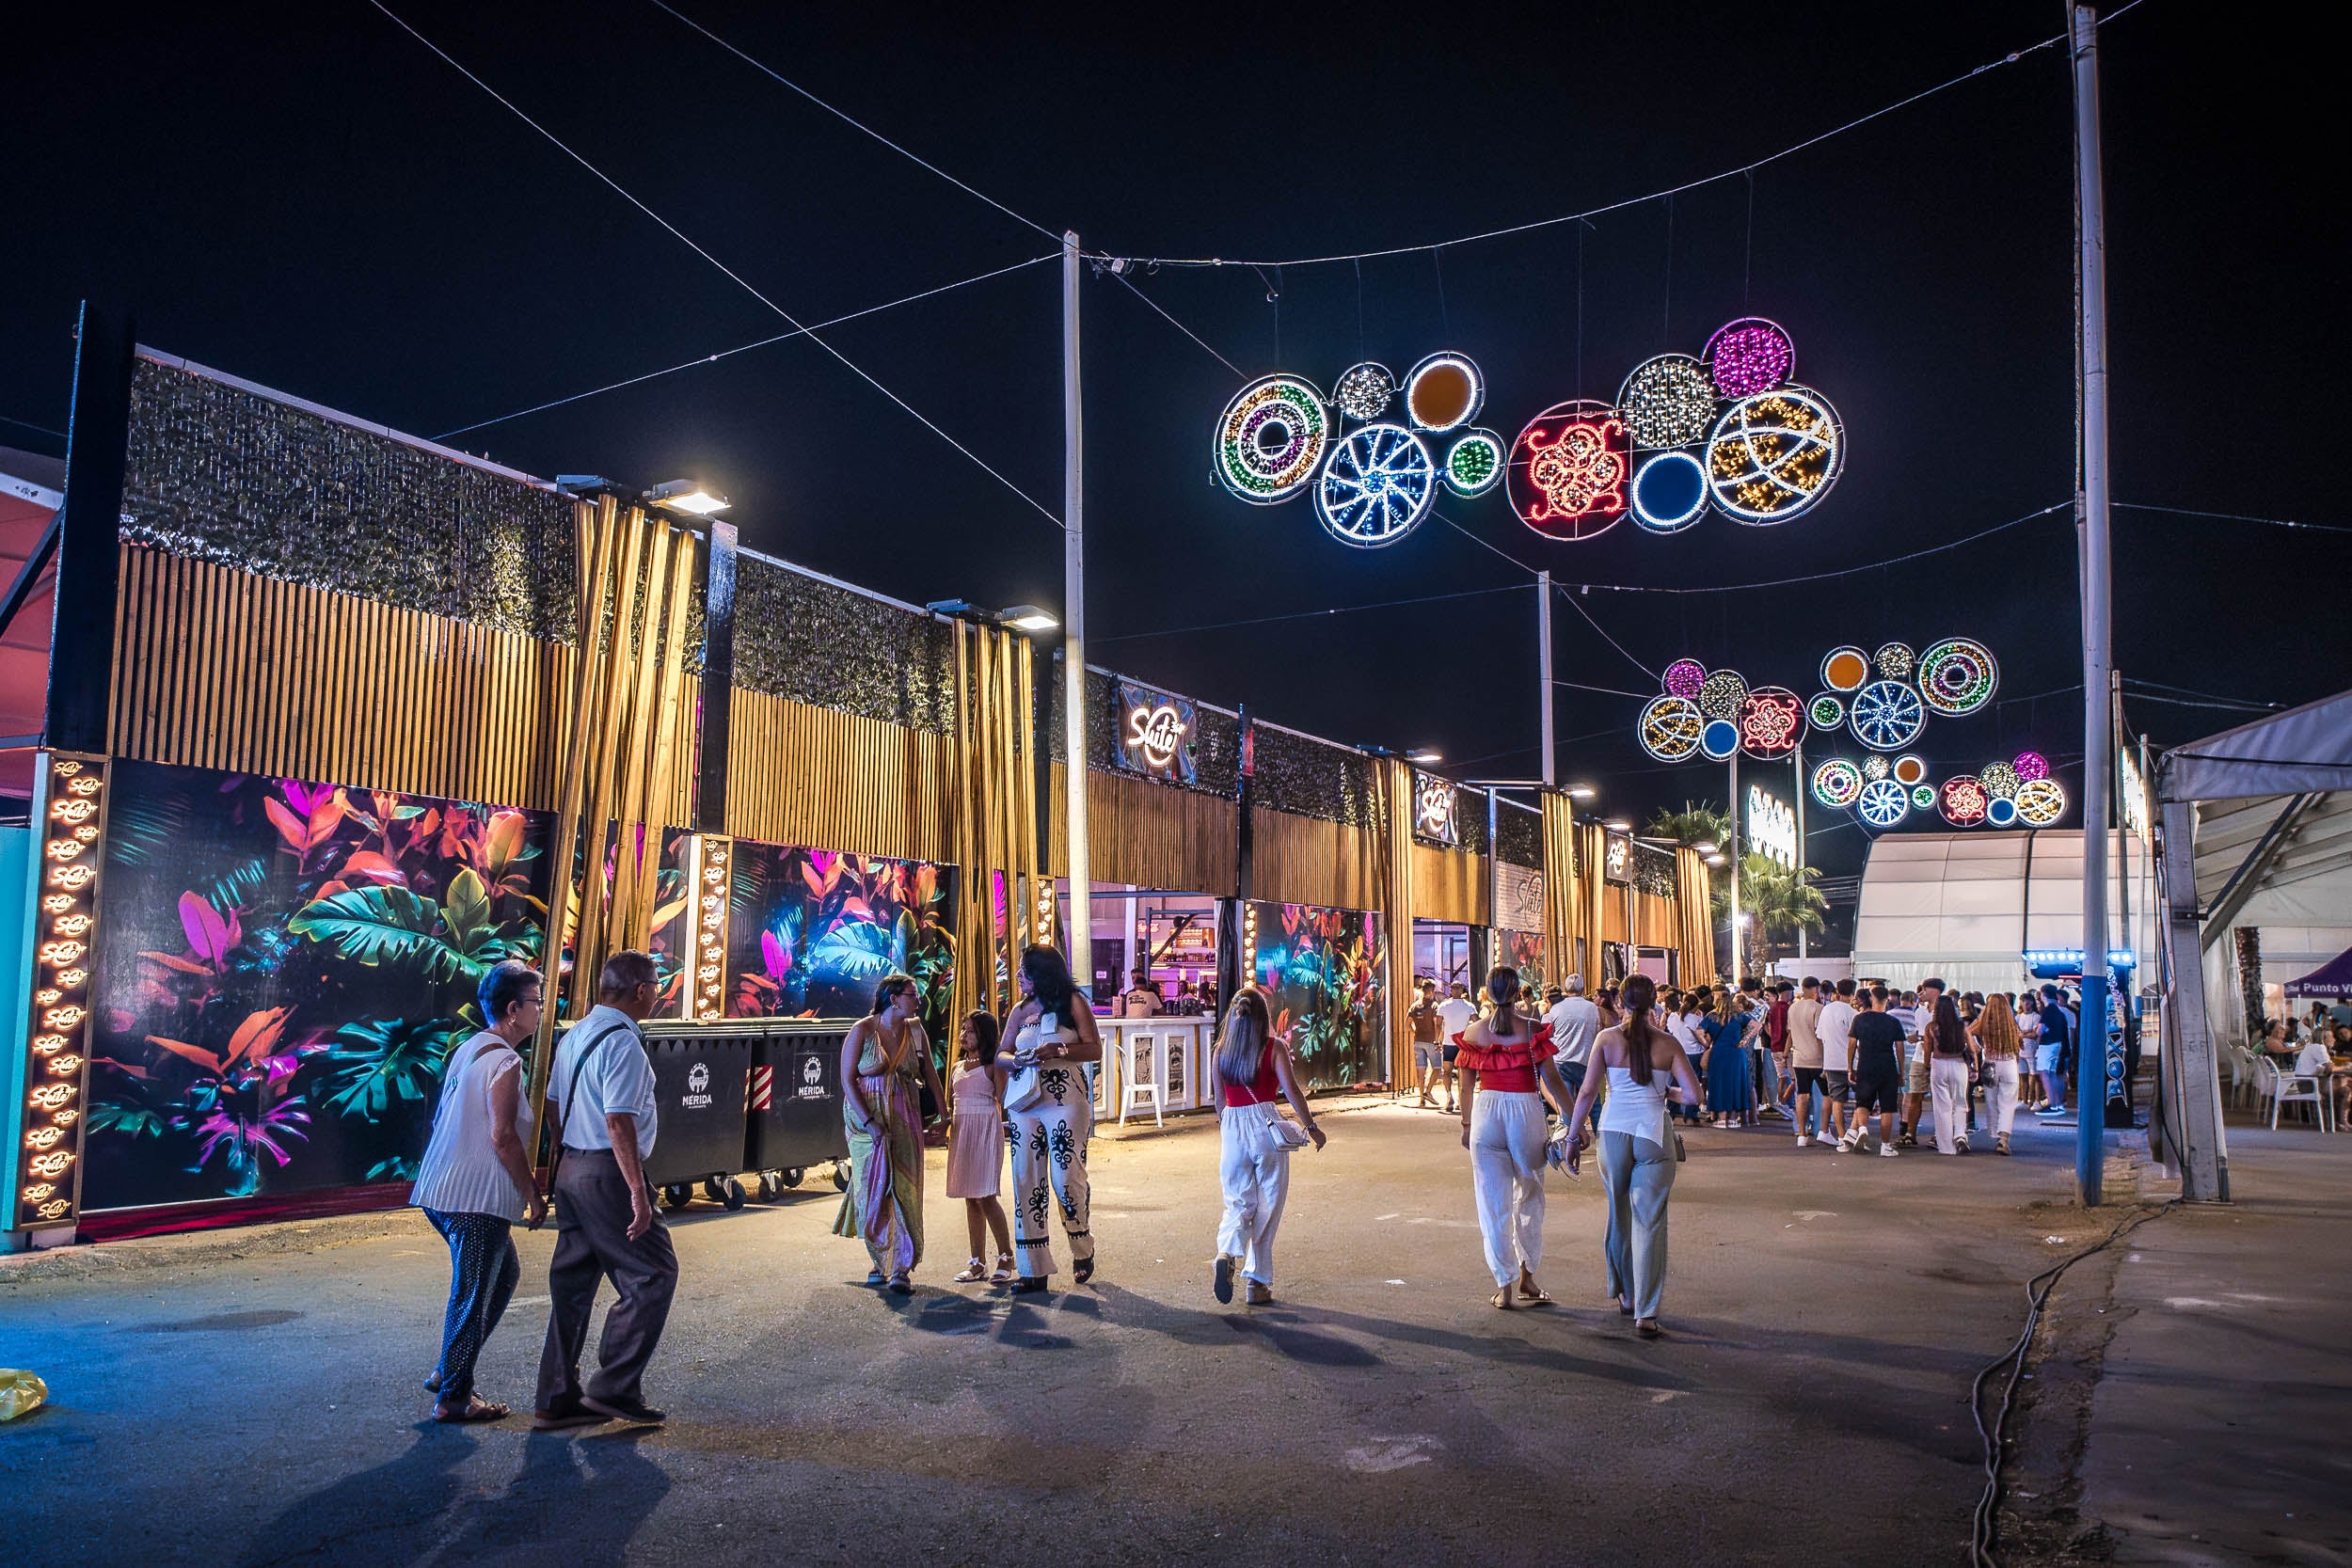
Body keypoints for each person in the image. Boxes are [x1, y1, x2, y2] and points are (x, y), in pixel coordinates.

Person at [534, 949, 676, 1431]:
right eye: (655, 988)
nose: (656, 996)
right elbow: (618, 1121)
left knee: (572, 1288)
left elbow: (553, 1104)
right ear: (640, 991)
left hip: (573, 1167)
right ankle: (613, 1387)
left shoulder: (575, 1034)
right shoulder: (624, 1044)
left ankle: (555, 1396)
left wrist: (564, 1157)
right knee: (653, 1274)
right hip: (607, 1173)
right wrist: (637, 1191)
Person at [409, 958, 548, 1423]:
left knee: (501, 1277)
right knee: (471, 1294)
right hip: (474, 1199)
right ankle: (453, 1396)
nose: (542, 1011)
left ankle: (451, 1369)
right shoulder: (505, 1060)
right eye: (536, 1003)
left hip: (443, 1190)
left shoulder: (470, 1048)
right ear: (513, 1009)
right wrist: (532, 1193)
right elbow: (503, 1136)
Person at [1564, 973, 1704, 1339]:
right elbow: (1694, 1096)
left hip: (1613, 1133)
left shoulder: (1606, 1039)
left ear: (1620, 1001)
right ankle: (1647, 1310)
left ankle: (1624, 1293)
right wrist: (1666, 1093)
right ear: (1654, 1001)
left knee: (1619, 1213)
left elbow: (1587, 1093)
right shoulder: (1668, 1043)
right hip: (1654, 1136)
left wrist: (1573, 1135)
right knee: (1650, 1222)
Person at [1455, 966, 1575, 1310]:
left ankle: (1503, 1285)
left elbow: (1465, 1086)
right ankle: (1528, 1278)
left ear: (1487, 993)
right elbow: (1552, 1080)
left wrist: (1465, 1125)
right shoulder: (1532, 1030)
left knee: (1491, 1202)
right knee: (1531, 1194)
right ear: (1519, 990)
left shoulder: (1474, 1032)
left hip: (1485, 1113)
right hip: (1525, 1111)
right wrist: (1573, 1120)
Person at [1210, 987, 1327, 1307]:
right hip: (1266, 1125)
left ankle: (1226, 1251)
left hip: (1232, 1126)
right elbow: (1293, 1093)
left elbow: (1220, 1101)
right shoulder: (1275, 1047)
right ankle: (1256, 1283)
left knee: (1237, 1202)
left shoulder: (1220, 1051)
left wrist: (1232, 1129)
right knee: (1268, 1205)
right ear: (1264, 1016)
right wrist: (1312, 1127)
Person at [1001, 944, 1104, 1291]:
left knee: (1065, 1178)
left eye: (1024, 970)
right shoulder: (1020, 1009)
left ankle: (1081, 1244)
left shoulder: (1072, 1003)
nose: (1018, 976)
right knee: (1026, 1179)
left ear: (1041, 973)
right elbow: (1001, 1053)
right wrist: (1016, 1060)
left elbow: (1094, 1048)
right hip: (1025, 1102)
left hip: (1065, 1099)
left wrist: (1058, 1050)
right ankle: (1033, 1269)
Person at [834, 974, 946, 1293]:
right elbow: (847, 1080)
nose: (919, 1000)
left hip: (904, 1115)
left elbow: (930, 1076)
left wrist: (943, 1113)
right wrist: (870, 1123)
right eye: (913, 994)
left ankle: (900, 1267)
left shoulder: (915, 1030)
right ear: (894, 998)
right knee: (875, 1189)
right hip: (866, 1122)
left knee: (905, 1189)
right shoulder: (863, 1030)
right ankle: (880, 1260)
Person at [946, 1010, 1014, 1286]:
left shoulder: (992, 1066)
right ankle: (977, 1262)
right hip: (962, 1133)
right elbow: (954, 1104)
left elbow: (1004, 1099)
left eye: (970, 1030)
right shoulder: (957, 1067)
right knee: (970, 1197)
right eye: (963, 1029)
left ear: (984, 1034)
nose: (964, 1035)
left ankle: (1006, 1256)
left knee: (986, 1195)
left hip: (985, 1129)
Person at [1543, 974, 1603, 1134]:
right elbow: (1599, 1031)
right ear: (1583, 989)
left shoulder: (1556, 1009)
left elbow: (1548, 1033)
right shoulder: (1592, 1008)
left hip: (1562, 1061)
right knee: (1594, 1102)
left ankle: (1569, 1139)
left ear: (1566, 989)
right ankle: (1601, 1139)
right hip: (1586, 1061)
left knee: (1566, 1102)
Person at [1970, 992, 2026, 1154]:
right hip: (2009, 1064)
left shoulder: (1984, 1022)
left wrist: (1976, 1047)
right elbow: (2020, 1043)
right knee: (2008, 1104)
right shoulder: (2011, 1023)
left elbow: (1967, 1031)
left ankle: (1995, 1133)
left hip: (1990, 1063)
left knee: (1992, 1102)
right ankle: (2004, 1139)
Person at [1926, 989, 1977, 1155]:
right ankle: (1960, 1135)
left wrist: (1927, 1067)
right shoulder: (1961, 1026)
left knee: (1942, 1106)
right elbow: (1973, 1049)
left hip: (1939, 1064)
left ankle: (1946, 1145)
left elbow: (1928, 1050)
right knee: (1960, 1103)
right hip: (1958, 1064)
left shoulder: (1931, 1027)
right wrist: (1974, 1068)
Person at [1899, 978, 1946, 1147]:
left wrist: (1920, 1037)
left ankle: (1939, 1134)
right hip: (1919, 1057)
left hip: (1938, 1058)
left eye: (1924, 990)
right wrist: (1917, 1038)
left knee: (1940, 1099)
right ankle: (1910, 1133)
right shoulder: (1919, 1011)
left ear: (1935, 991)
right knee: (1914, 1095)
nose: (1920, 993)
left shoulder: (1944, 1010)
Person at [1702, 991, 1756, 1129]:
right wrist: (1745, 1040)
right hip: (1736, 1053)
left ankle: (1721, 1118)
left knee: (1719, 1083)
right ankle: (1732, 1119)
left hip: (1718, 1052)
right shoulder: (1738, 1016)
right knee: (1735, 1083)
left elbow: (1698, 1032)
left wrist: (1705, 1043)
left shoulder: (1712, 1016)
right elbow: (1756, 1026)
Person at [1816, 980, 1859, 1147]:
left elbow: (1819, 1036)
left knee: (1837, 1101)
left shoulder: (1826, 1010)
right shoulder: (1853, 1013)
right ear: (1852, 993)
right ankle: (1853, 1132)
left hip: (1830, 1061)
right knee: (1862, 1101)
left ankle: (1841, 1136)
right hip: (1851, 1064)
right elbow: (1855, 1042)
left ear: (1837, 991)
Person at [1788, 977, 1827, 1146]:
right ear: (1816, 989)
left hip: (1799, 1057)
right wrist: (1825, 1058)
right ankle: (1824, 1130)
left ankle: (1802, 1134)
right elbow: (1820, 1035)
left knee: (1802, 1095)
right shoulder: (1819, 1008)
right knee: (1827, 1095)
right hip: (1817, 1058)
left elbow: (1790, 1031)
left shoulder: (1792, 1008)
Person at [1434, 981, 1477, 1115]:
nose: (1454, 990)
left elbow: (1476, 1021)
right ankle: (1449, 1097)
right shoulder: (1445, 1005)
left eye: (1456, 988)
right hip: (1451, 1043)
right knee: (1448, 1071)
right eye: (1452, 988)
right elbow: (1438, 1024)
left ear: (1462, 989)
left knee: (1459, 1073)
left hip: (1460, 1044)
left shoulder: (1468, 1006)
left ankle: (1458, 1099)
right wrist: (1437, 1041)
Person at [1408, 978, 1447, 1109]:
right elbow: (1437, 1025)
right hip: (1431, 1042)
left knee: (1421, 1070)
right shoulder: (1435, 1006)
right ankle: (1428, 1091)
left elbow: (1406, 1024)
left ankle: (1421, 1099)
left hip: (1418, 1041)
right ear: (1432, 991)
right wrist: (1437, 1041)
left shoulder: (1414, 1006)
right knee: (1437, 1068)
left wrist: (1415, 1032)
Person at [2035, 985, 2073, 1116]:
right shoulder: (2058, 1011)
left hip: (2047, 1044)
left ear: (2043, 994)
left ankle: (2052, 1103)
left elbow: (2040, 1030)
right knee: (2053, 1074)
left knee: (2044, 1073)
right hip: (2058, 1045)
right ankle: (2057, 1104)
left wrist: (2036, 1030)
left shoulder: (2048, 1010)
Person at [2016, 994, 2045, 1109]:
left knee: (2034, 1075)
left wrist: (2023, 1034)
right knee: (2022, 1075)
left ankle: (2035, 1099)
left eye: (2027, 1003)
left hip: (2032, 1049)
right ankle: (2024, 1100)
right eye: (2023, 1002)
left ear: (2032, 1003)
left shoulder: (2036, 1017)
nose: (2025, 1005)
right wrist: (2023, 1034)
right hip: (2021, 1050)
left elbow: (2035, 1033)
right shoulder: (2018, 1017)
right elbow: (2016, 1032)